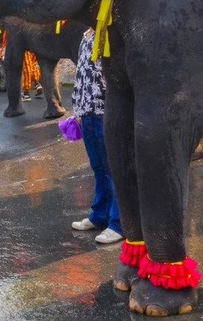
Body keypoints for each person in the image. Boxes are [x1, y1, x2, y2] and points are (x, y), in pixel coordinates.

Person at [70, 29, 123, 245]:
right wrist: (78, 109)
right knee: (99, 168)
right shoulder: (86, 36)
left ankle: (119, 223)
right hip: (88, 113)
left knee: (115, 169)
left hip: (106, 113)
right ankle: (99, 215)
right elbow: (81, 75)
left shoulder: (110, 33)